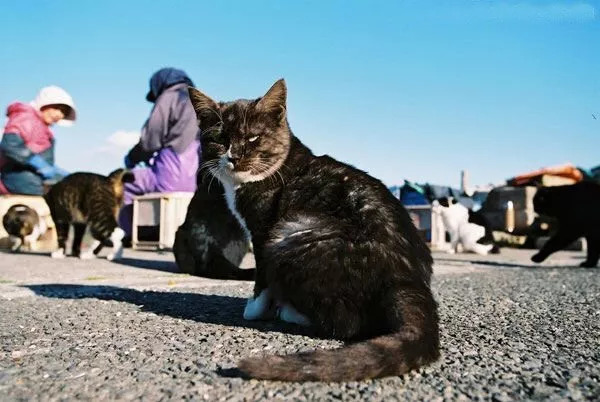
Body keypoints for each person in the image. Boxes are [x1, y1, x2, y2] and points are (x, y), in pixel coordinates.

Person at [118, 67, 201, 238]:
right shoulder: (198, 100)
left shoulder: (169, 96)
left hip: (168, 177)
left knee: (125, 183)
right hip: (195, 182)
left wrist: (131, 158)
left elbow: (150, 140)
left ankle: (130, 234)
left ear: (159, 85)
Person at [0, 86, 76, 195]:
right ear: (44, 104)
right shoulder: (26, 117)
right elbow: (10, 145)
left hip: (32, 175)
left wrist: (58, 172)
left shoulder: (45, 130)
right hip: (17, 177)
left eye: (64, 112)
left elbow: (46, 162)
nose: (60, 115)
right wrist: (37, 162)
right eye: (57, 108)